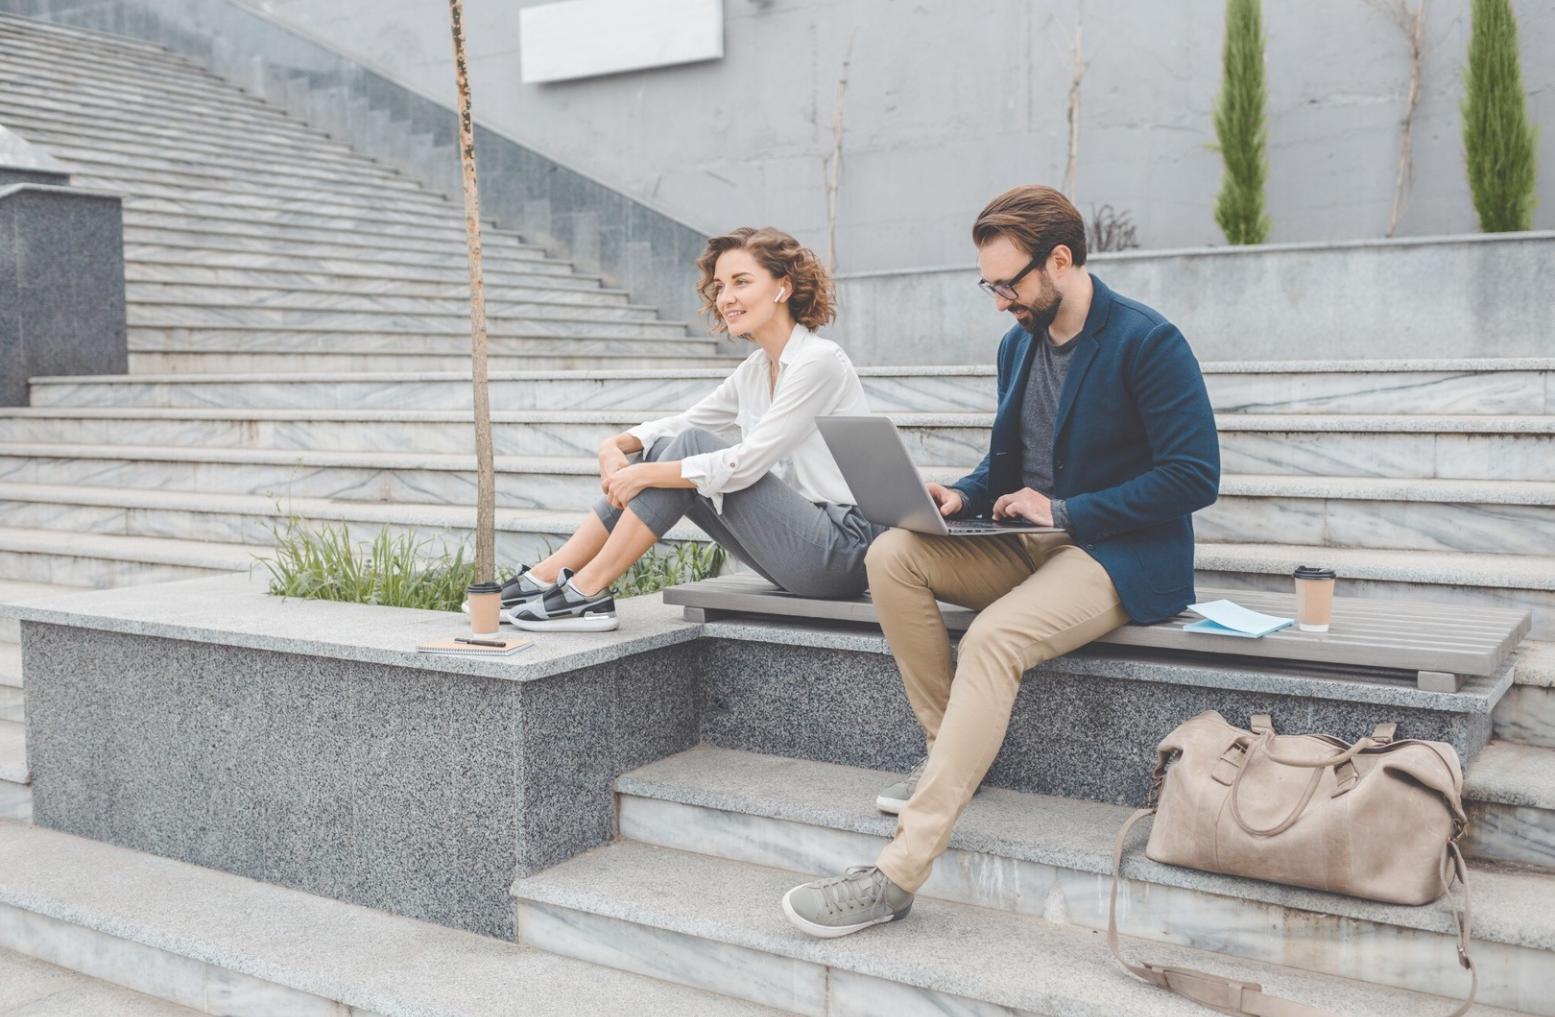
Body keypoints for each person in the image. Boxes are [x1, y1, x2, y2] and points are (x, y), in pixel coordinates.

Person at [781, 185, 1220, 937]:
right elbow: (1006, 461)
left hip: (1115, 552)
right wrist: (961, 492)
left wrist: (1067, 511)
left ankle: (896, 872)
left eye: (1007, 283)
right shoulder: (1018, 342)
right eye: (988, 284)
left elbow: (1193, 475)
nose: (998, 301)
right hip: (1026, 540)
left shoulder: (1147, 341)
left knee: (992, 636)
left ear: (1059, 260)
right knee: (893, 555)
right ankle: (944, 752)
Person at [503, 226, 883, 631]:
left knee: (685, 452)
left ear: (783, 287)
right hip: (796, 545)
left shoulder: (819, 361)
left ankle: (587, 590)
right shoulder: (756, 370)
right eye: (720, 286)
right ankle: (549, 576)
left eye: (741, 282)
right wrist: (616, 444)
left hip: (842, 550)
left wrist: (642, 473)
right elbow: (686, 421)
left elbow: (747, 464)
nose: (726, 298)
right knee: (669, 448)